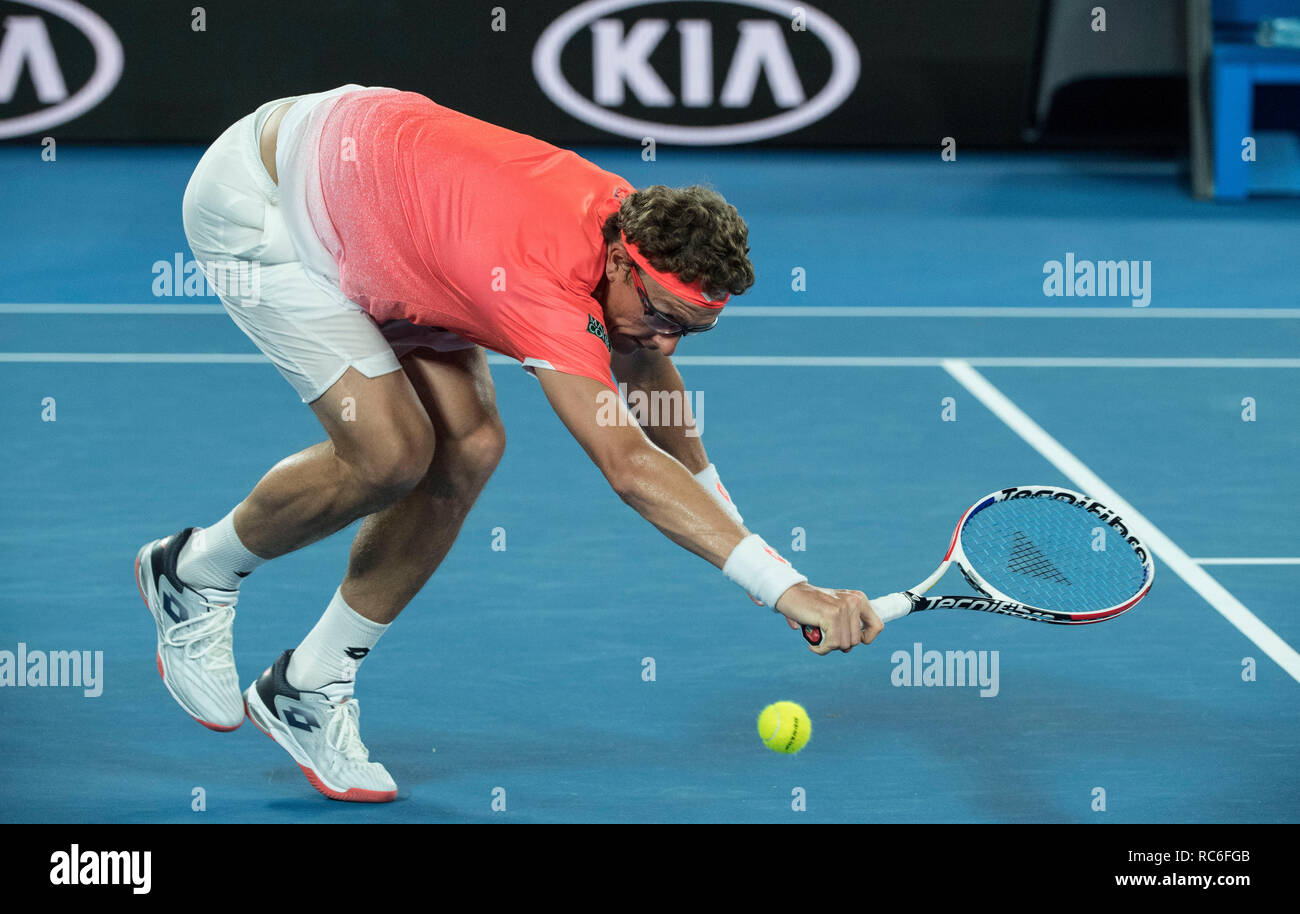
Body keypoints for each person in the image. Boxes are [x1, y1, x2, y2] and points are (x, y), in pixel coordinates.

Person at [134, 85, 882, 803]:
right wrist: (781, 588)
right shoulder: (540, 278)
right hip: (266, 209)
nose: (670, 345)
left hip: (394, 217)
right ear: (623, 264)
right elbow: (627, 466)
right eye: (665, 319)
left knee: (470, 448)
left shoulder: (638, 233)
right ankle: (194, 571)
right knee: (391, 453)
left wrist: (770, 565)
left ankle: (311, 684)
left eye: (692, 330)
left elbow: (647, 373)